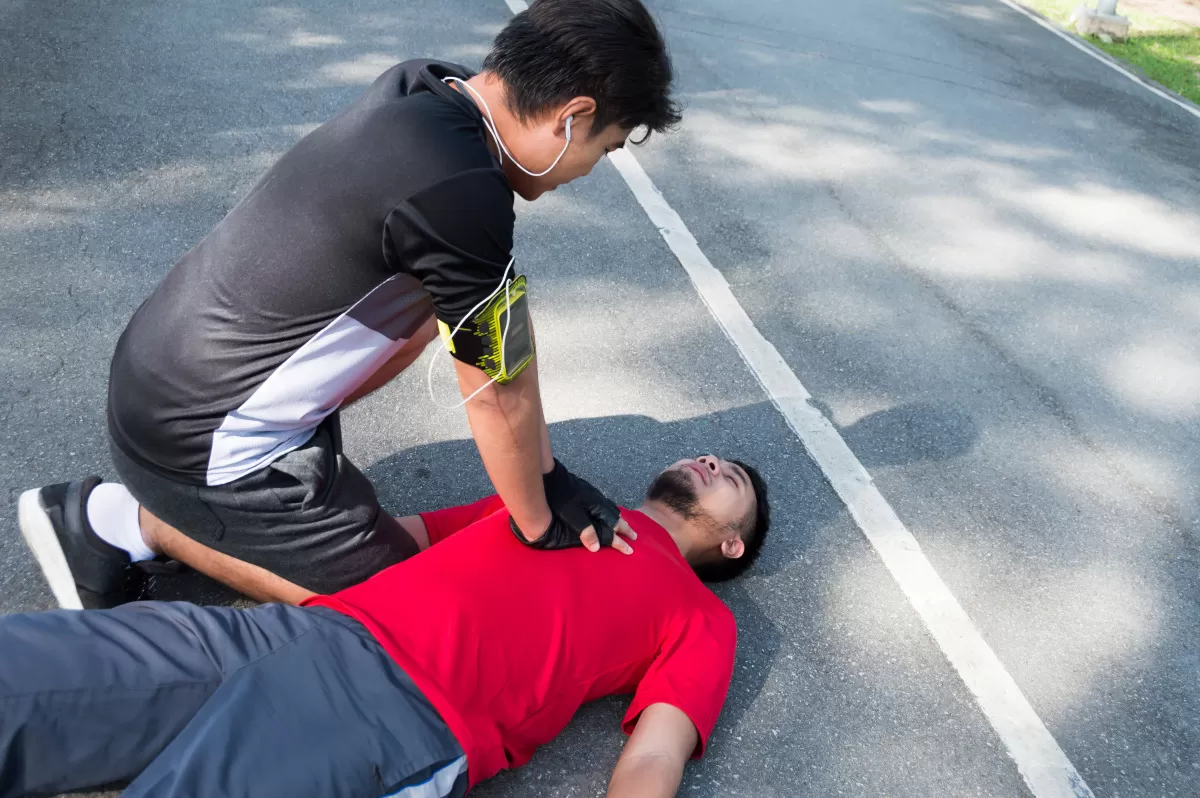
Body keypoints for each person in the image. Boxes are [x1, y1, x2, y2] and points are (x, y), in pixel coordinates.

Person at [16, 0, 681, 610]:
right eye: (605, 147)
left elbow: (504, 329)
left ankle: (225, 501)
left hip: (162, 377)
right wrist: (538, 523)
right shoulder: (459, 191)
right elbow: (495, 388)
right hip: (193, 441)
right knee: (399, 610)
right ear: (575, 117)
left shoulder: (426, 89)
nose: (588, 170)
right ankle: (117, 522)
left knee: (443, 313)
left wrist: (548, 472)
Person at [1, 455, 770, 798]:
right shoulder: (559, 499)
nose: (711, 461)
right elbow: (390, 539)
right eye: (711, 456)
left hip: (397, 718)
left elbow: (656, 755)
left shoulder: (701, 616)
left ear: (731, 543)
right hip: (299, 634)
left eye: (731, 478)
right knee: (26, 673)